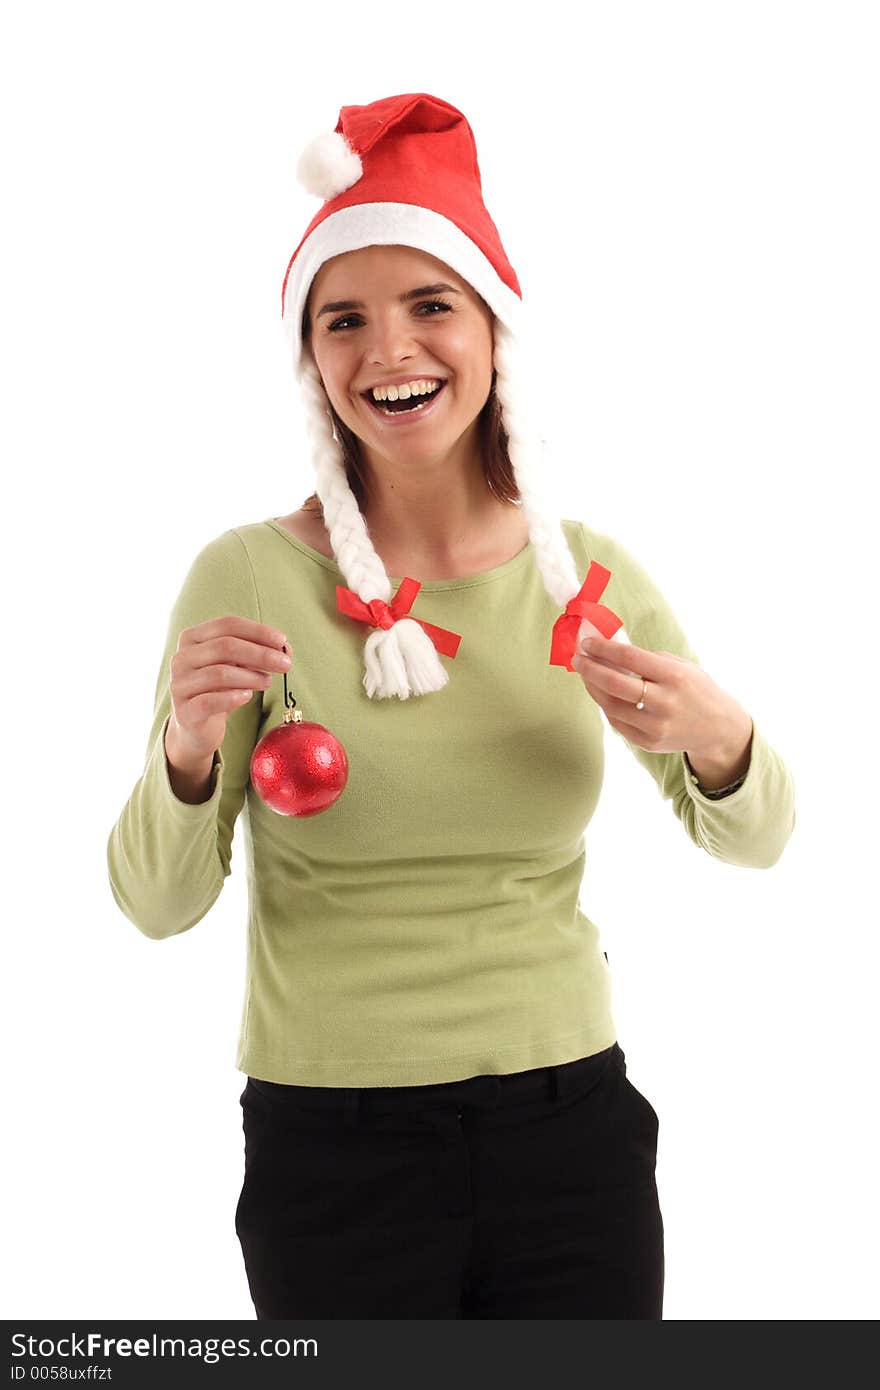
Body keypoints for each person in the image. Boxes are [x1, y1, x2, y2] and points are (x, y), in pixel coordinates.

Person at [106, 92, 796, 1320]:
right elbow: (159, 905)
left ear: (493, 329)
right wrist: (188, 746)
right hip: (334, 1149)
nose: (390, 352)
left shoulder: (583, 578)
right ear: (310, 357)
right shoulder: (250, 578)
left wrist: (722, 739)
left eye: (431, 305)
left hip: (571, 1131)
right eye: (344, 320)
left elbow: (754, 838)